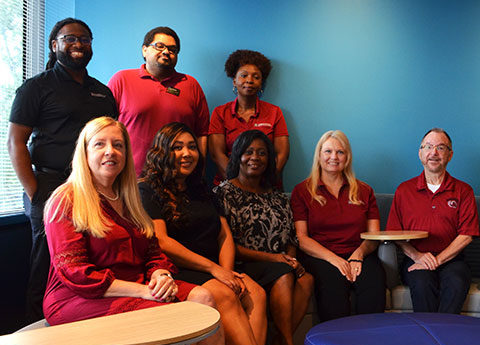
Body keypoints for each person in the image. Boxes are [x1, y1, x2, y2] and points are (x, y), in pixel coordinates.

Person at [42, 117, 253, 345]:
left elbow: (154, 252)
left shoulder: (128, 197)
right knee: (178, 313)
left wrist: (160, 275)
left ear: (127, 153)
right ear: (84, 153)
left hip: (140, 286)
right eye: (99, 144)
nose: (109, 151)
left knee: (206, 298)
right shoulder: (66, 199)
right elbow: (75, 273)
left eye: (118, 144)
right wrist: (143, 290)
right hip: (77, 297)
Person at [139, 123, 305, 345]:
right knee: (227, 292)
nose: (187, 153)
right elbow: (162, 241)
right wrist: (215, 271)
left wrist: (228, 272)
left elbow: (224, 235)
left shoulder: (200, 187)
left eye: (191, 146)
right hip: (177, 270)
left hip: (213, 268)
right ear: (162, 151)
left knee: (253, 290)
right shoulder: (147, 189)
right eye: (178, 147)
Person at [7, 18, 118, 322]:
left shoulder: (103, 92)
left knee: (92, 259)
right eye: (69, 38)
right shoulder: (36, 87)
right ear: (55, 45)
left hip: (95, 189)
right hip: (52, 187)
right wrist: (37, 191)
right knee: (47, 264)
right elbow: (15, 143)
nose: (78, 44)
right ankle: (37, 335)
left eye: (85, 38)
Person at [215, 129, 313, 345]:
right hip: (244, 264)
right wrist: (278, 260)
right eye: (249, 152)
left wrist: (291, 260)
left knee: (307, 280)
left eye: (261, 153)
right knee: (283, 274)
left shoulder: (277, 196)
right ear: (238, 156)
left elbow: (291, 235)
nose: (255, 158)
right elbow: (228, 244)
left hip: (279, 264)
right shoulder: (223, 194)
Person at [291, 130, 386, 322]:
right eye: (327, 151)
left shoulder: (365, 191)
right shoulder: (302, 191)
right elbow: (302, 238)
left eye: (340, 152)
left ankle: (370, 344)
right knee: (332, 288)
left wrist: (357, 256)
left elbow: (374, 236)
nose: (333, 157)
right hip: (321, 256)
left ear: (347, 157)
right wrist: (335, 260)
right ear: (319, 155)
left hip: (359, 253)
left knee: (374, 283)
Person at [386, 128, 479, 314]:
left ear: (450, 155)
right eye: (428, 147)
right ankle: (426, 338)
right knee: (421, 283)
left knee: (456, 282)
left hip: (453, 261)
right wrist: (417, 256)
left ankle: (444, 337)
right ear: (420, 153)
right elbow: (393, 233)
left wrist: (437, 260)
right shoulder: (404, 190)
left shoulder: (464, 190)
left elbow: (467, 235)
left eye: (441, 147)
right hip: (415, 258)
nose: (433, 153)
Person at [108, 26, 209, 175]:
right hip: (130, 178)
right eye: (159, 46)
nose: (166, 52)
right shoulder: (122, 80)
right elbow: (105, 129)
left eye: (172, 49)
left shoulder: (191, 84)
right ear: (144, 50)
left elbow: (202, 133)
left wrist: (198, 171)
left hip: (179, 178)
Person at [208, 50, 289, 186]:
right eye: (244, 75)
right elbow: (217, 154)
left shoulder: (275, 112)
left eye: (256, 77)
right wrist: (239, 185)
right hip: (229, 186)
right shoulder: (220, 113)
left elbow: (282, 154)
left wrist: (262, 184)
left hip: (266, 187)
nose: (249, 80)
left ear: (261, 82)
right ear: (234, 81)